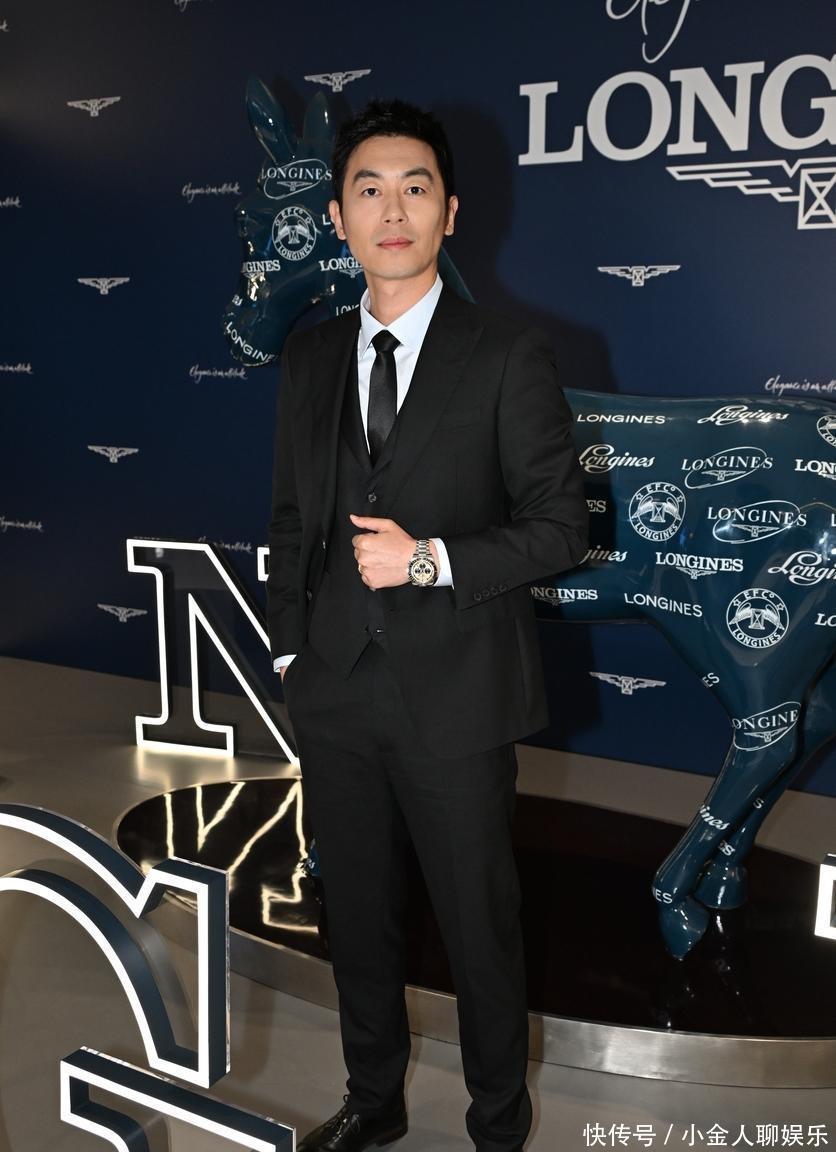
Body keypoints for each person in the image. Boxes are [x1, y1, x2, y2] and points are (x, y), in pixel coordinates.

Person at [267, 99, 588, 1152]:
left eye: (415, 189)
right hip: (334, 691)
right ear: (337, 216)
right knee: (356, 916)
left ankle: (497, 1124)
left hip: (457, 692)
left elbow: (562, 528)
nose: (392, 211)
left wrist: (430, 559)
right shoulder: (311, 356)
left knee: (478, 928)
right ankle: (374, 1100)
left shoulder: (507, 353)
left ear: (450, 212)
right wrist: (290, 648)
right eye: (369, 190)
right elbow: (290, 518)